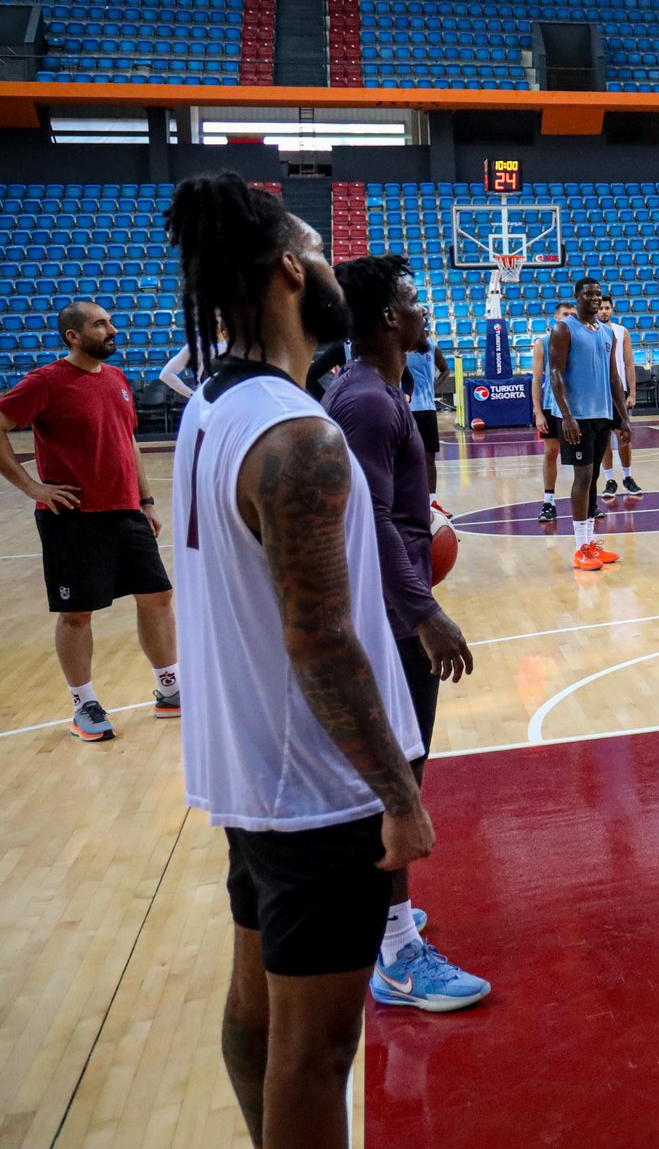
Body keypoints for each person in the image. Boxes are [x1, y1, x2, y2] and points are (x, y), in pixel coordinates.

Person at [164, 173, 432, 1148]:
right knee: (315, 1056)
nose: (329, 265)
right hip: (319, 791)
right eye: (317, 249)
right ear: (288, 268)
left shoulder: (210, 405)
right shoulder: (299, 435)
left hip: (252, 776)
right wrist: (397, 792)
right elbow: (319, 639)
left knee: (259, 1017)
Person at [323, 254, 489, 1013]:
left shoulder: (382, 390)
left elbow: (392, 504)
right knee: (397, 776)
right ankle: (395, 953)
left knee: (396, 770)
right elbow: (376, 522)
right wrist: (424, 611)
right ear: (389, 318)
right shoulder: (365, 399)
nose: (424, 309)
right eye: (413, 299)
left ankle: (383, 917)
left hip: (393, 607)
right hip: (391, 621)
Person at [0, 301, 177, 743]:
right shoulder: (46, 382)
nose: (112, 329)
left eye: (111, 322)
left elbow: (129, 443)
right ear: (73, 336)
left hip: (127, 511)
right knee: (77, 613)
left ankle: (169, 688)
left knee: (157, 596)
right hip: (73, 519)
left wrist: (147, 500)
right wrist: (33, 487)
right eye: (101, 324)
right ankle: (84, 704)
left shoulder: (118, 379)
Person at [549, 278, 631, 572]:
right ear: (577, 296)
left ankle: (591, 545)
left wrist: (623, 418)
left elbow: (614, 378)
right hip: (577, 417)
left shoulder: (608, 332)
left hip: (602, 415)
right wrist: (566, 415)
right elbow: (555, 373)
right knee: (582, 478)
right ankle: (579, 548)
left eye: (598, 294)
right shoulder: (564, 329)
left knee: (593, 476)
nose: (595, 298)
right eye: (589, 294)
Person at [530, 300, 573, 522]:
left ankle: (587, 501)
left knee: (581, 457)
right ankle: (548, 501)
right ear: (556, 317)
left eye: (572, 314)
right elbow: (537, 380)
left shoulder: (579, 340)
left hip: (576, 406)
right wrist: (537, 412)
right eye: (565, 313)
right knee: (551, 452)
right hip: (550, 405)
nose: (569, 317)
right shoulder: (543, 343)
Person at [596, 295, 641, 498]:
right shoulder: (590, 331)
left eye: (607, 308)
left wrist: (632, 392)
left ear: (612, 310)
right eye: (601, 308)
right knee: (603, 438)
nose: (604, 311)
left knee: (623, 435)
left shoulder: (622, 332)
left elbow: (629, 363)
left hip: (618, 391)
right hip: (597, 391)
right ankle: (609, 480)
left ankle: (628, 476)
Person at [403, 339, 452, 508]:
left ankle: (432, 502)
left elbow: (445, 370)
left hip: (427, 408)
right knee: (405, 457)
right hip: (405, 409)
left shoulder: (432, 347)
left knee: (429, 457)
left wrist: (433, 386)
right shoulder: (400, 345)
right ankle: (409, 501)